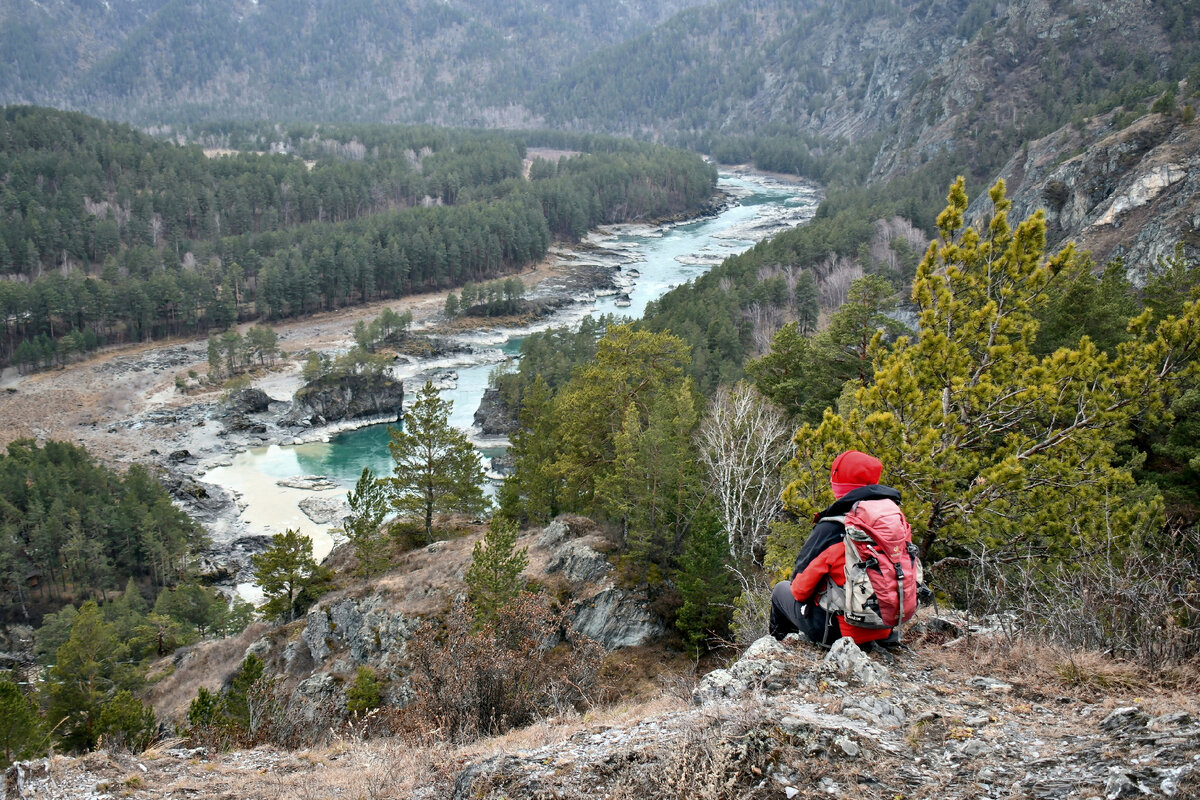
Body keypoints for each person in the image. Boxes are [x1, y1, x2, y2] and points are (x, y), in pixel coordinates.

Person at [769, 449, 906, 646]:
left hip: (839, 632)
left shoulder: (832, 528)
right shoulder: (894, 522)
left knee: (781, 591)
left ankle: (780, 646)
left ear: (839, 487)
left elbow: (799, 590)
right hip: (886, 626)